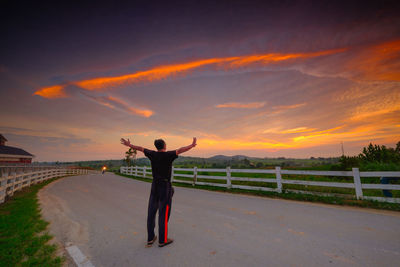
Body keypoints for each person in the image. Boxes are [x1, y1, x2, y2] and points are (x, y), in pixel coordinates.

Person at [120, 137, 197, 247]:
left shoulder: (152, 154)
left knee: (151, 212)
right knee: (163, 214)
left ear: (156, 146)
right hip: (165, 186)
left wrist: (129, 145)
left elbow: (140, 148)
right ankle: (162, 240)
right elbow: (180, 150)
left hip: (154, 185)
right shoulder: (168, 155)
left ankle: (150, 238)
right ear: (164, 145)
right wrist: (191, 145)